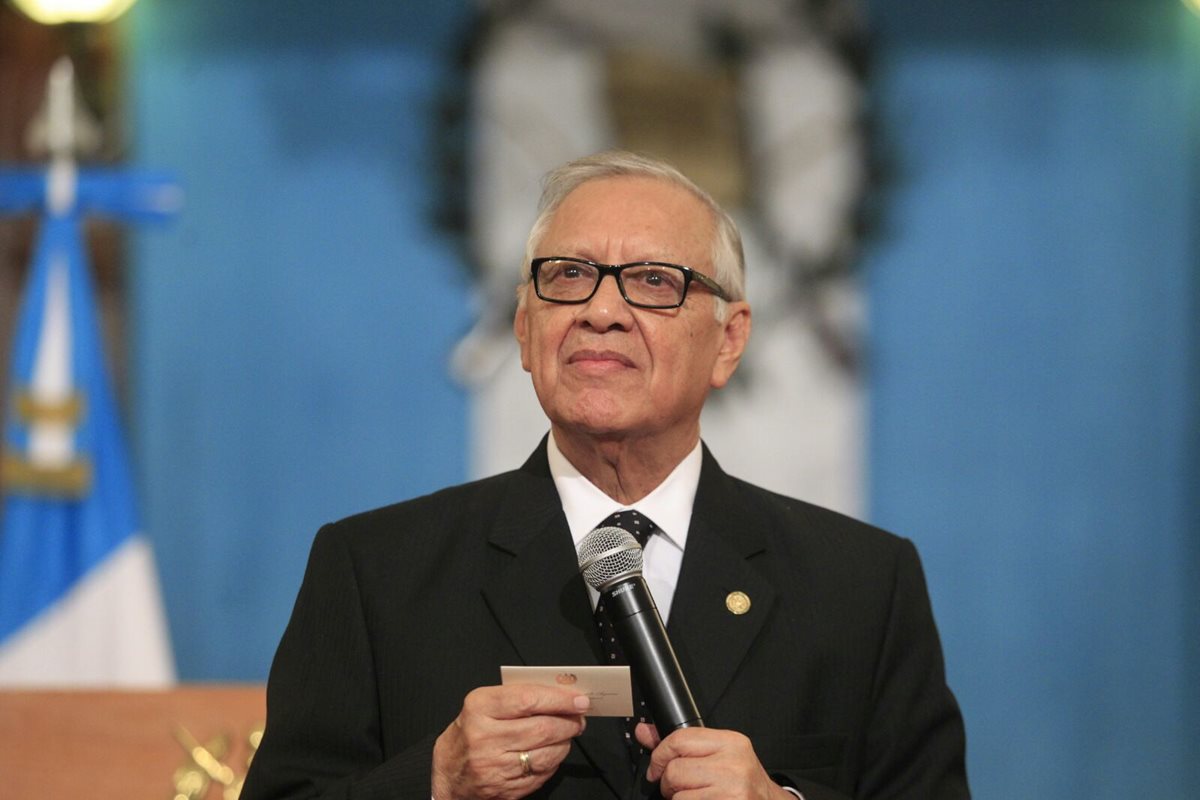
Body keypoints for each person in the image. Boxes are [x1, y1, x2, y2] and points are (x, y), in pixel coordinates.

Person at [241, 151, 969, 800]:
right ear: (525, 331)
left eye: (654, 281)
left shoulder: (863, 586)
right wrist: (433, 780)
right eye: (569, 275)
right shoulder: (376, 572)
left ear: (730, 339)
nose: (601, 310)